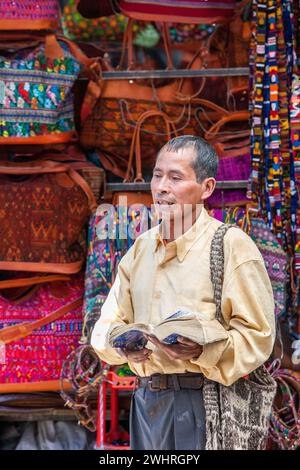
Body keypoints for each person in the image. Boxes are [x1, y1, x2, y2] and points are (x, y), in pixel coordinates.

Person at [91, 135, 275, 450]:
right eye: (158, 175)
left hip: (203, 401)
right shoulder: (141, 249)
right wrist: (122, 346)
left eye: (176, 178)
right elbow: (107, 325)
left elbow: (258, 337)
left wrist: (204, 350)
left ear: (207, 188)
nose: (161, 187)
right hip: (147, 401)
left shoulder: (230, 245)